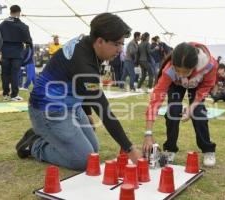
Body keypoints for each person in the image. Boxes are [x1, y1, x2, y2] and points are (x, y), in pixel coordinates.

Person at [15, 13, 141, 170]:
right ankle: (34, 144)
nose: (120, 50)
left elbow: (81, 84)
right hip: (49, 110)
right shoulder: (84, 63)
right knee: (84, 161)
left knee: (93, 151)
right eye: (116, 44)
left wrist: (86, 112)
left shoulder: (89, 44)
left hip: (72, 105)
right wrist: (129, 148)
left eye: (122, 44)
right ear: (100, 41)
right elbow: (103, 109)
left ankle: (46, 134)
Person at [143, 42, 218, 167]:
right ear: (173, 65)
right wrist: (148, 133)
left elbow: (207, 86)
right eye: (178, 70)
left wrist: (192, 107)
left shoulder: (209, 65)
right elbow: (156, 100)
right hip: (176, 85)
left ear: (194, 66)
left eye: (186, 71)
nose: (182, 74)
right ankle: (170, 149)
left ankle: (208, 149)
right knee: (173, 110)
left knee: (198, 112)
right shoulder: (169, 71)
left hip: (197, 86)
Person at [0, 5, 32, 101]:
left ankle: (5, 94)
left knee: (4, 74)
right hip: (17, 53)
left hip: (5, 52)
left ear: (10, 12)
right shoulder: (22, 26)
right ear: (18, 12)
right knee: (15, 73)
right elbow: (28, 40)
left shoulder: (2, 24)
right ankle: (14, 95)